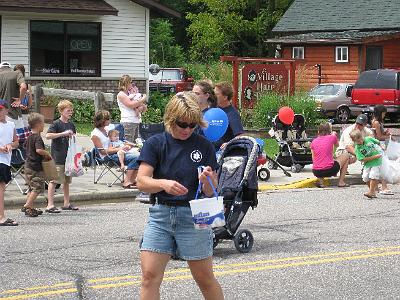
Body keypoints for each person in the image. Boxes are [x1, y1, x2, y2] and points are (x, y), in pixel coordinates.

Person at [137, 92, 224, 300]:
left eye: (192, 125)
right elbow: (141, 181)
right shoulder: (156, 143)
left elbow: (211, 191)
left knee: (205, 279)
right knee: (149, 277)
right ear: (170, 119)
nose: (187, 129)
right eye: (182, 124)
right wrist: (163, 184)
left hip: (194, 216)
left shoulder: (203, 146)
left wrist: (208, 181)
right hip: (161, 216)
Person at [91, 110, 138, 189]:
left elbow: (116, 139)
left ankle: (132, 180)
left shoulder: (106, 130)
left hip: (116, 151)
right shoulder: (95, 134)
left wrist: (125, 145)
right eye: (108, 119)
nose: (110, 120)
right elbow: (102, 152)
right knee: (137, 158)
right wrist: (119, 149)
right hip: (107, 156)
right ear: (103, 121)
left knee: (141, 155)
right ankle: (127, 182)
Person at [45, 100, 78, 212]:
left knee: (66, 181)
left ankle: (66, 203)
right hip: (58, 156)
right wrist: (63, 134)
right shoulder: (56, 124)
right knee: (54, 180)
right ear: (61, 111)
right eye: (68, 110)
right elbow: (48, 136)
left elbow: (74, 138)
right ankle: (50, 204)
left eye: (71, 110)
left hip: (69, 157)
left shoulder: (71, 124)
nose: (70, 112)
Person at [22, 113, 52, 217]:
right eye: (43, 123)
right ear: (38, 124)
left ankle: (30, 208)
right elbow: (39, 150)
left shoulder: (29, 137)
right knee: (38, 187)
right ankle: (27, 205)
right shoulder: (37, 138)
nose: (44, 125)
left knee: (31, 187)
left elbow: (26, 147)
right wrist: (47, 153)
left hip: (28, 166)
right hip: (35, 167)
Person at [311, 123, 349, 188]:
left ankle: (321, 182)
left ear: (318, 131)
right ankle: (341, 182)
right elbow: (337, 145)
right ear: (329, 131)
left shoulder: (313, 141)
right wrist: (334, 135)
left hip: (316, 171)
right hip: (329, 170)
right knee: (346, 156)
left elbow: (313, 157)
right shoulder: (332, 137)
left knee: (322, 160)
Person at [0, 100, 19, 226]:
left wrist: (10, 145)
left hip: (6, 160)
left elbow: (16, 141)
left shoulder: (11, 125)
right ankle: (1, 217)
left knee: (2, 188)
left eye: (1, 110)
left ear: (7, 110)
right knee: (1, 187)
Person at [350, 129, 383, 199]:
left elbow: (378, 142)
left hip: (377, 161)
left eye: (360, 140)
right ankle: (373, 191)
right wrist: (374, 157)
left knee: (373, 175)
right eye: (357, 142)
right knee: (365, 177)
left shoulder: (368, 139)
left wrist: (382, 147)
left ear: (362, 136)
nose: (360, 142)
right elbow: (362, 159)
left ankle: (371, 192)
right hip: (368, 162)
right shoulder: (357, 148)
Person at [213, 81, 244, 150]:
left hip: (221, 153)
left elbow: (240, 135)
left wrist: (229, 143)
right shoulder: (213, 110)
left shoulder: (232, 113)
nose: (213, 96)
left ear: (225, 97)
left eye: (216, 94)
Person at [117, 75, 147, 142]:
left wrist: (143, 106)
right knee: (128, 143)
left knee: (136, 143)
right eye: (130, 82)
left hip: (136, 121)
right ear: (126, 83)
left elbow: (143, 107)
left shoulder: (131, 93)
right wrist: (143, 99)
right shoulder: (121, 94)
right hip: (128, 121)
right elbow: (131, 105)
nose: (132, 84)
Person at [371, 105, 393, 195]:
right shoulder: (376, 122)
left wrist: (385, 132)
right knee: (383, 165)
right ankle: (384, 186)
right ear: (380, 113)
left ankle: (377, 187)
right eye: (384, 113)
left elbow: (379, 133)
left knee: (379, 165)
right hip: (379, 145)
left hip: (379, 145)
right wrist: (389, 136)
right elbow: (379, 137)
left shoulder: (378, 122)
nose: (384, 115)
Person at [13, 64, 32, 128]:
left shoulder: (27, 86)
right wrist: (19, 105)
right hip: (15, 114)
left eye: (20, 73)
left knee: (24, 133)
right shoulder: (12, 85)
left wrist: (28, 95)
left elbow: (30, 104)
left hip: (24, 113)